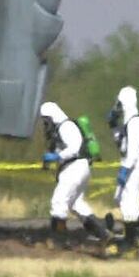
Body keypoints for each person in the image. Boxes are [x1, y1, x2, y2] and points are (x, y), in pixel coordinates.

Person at [39, 101, 108, 242]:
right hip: (77, 168)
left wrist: (57, 156)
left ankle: (59, 240)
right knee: (76, 204)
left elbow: (74, 148)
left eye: (46, 120)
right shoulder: (59, 130)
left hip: (75, 167)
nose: (45, 124)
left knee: (58, 202)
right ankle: (102, 234)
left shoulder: (66, 126)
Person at [107, 85, 139, 247]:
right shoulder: (130, 123)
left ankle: (130, 241)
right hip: (131, 162)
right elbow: (122, 144)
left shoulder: (134, 122)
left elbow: (132, 152)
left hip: (134, 163)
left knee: (129, 201)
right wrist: (113, 126)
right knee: (123, 200)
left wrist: (124, 171)